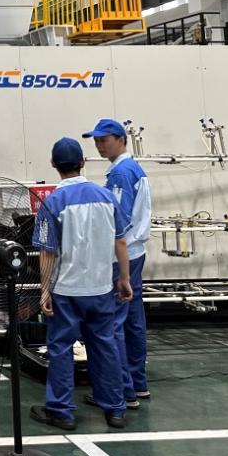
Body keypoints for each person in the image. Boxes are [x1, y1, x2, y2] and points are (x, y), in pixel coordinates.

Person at [30, 137, 133, 431]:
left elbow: (47, 252)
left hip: (66, 290)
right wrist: (124, 278)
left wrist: (45, 290)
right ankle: (115, 408)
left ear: (53, 164)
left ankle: (61, 411)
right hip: (101, 288)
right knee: (105, 345)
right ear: (83, 162)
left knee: (61, 348)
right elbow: (121, 241)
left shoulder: (52, 202)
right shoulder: (106, 197)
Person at [84, 119, 152, 406]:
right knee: (133, 320)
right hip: (135, 252)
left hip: (121, 256)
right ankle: (137, 383)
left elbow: (117, 220)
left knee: (114, 323)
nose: (100, 145)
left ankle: (122, 390)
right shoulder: (131, 169)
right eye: (97, 141)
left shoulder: (121, 173)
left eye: (105, 140)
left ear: (121, 139)